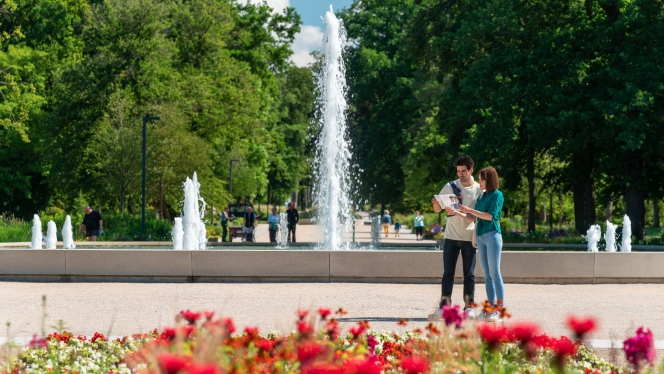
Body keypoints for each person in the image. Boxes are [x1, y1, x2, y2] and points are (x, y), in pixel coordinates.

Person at [429, 155, 482, 320]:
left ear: (471, 170)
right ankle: (444, 308)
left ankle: (469, 308)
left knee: (469, 274)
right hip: (451, 236)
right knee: (448, 273)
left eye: (464, 171)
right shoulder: (450, 186)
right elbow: (437, 210)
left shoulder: (480, 189)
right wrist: (436, 203)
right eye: (458, 171)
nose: (461, 174)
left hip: (469, 236)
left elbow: (478, 214)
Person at [458, 166, 505, 320]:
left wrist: (470, 211)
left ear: (489, 180)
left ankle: (499, 309)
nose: (479, 182)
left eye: (482, 179)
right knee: (487, 275)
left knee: (495, 273)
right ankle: (490, 308)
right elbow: (475, 217)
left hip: (492, 235)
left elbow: (491, 216)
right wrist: (459, 212)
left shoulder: (497, 195)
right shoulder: (482, 196)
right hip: (481, 237)